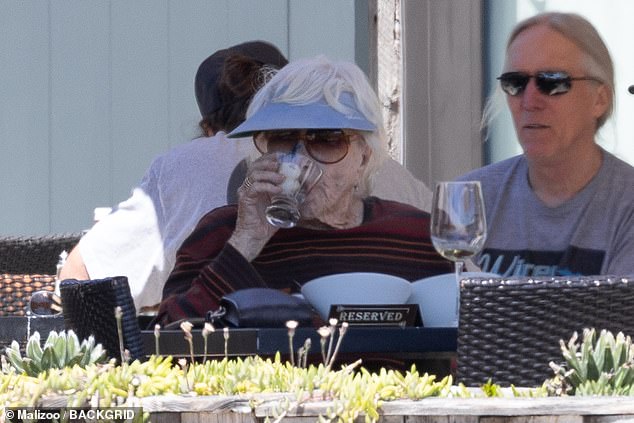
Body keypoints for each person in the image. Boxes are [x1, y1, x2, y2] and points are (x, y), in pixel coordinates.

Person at [156, 55, 453, 324]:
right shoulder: (223, 231)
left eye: (326, 139)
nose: (300, 157)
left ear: (363, 156)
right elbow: (164, 339)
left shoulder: (414, 235)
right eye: (282, 137)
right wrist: (245, 244)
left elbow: (469, 335)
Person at [59, 41, 289, 311]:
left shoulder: (188, 163)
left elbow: (82, 273)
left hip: (207, 345)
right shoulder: (331, 155)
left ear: (207, 128)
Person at [457, 12, 634, 276]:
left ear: (599, 100)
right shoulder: (469, 198)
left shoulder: (626, 204)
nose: (530, 101)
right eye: (515, 83)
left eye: (551, 82)